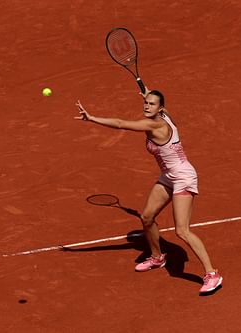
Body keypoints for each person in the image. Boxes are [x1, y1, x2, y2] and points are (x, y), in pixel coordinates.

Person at [74, 89, 222, 294]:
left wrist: (91, 118)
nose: (147, 106)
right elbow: (155, 100)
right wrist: (148, 92)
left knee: (182, 230)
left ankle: (212, 274)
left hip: (183, 177)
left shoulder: (154, 124)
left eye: (152, 104)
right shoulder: (166, 114)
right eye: (146, 102)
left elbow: (119, 123)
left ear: (159, 108)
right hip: (168, 177)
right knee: (146, 216)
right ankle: (157, 256)